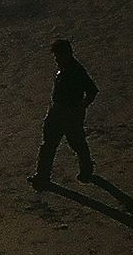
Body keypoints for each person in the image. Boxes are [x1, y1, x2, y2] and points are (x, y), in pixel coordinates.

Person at [33, 39, 99, 187]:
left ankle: (87, 170)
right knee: (48, 144)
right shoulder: (64, 69)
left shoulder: (77, 71)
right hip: (56, 111)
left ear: (67, 54)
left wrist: (81, 107)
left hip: (70, 114)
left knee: (77, 143)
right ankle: (42, 175)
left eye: (58, 56)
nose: (56, 59)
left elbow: (92, 91)